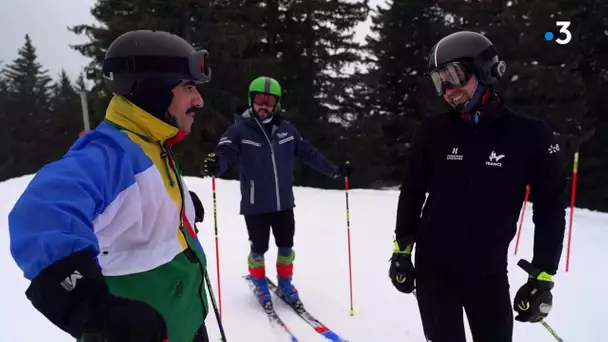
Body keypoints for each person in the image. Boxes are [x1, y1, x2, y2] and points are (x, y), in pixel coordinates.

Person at [8, 30, 212, 342]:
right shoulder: (109, 153)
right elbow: (40, 216)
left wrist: (181, 206)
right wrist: (94, 311)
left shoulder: (151, 143)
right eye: (188, 87)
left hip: (186, 322)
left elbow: (135, 204)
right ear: (153, 90)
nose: (198, 100)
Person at [388, 31, 567, 342]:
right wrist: (402, 249)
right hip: (433, 273)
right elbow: (412, 191)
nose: (447, 90)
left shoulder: (529, 136)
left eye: (454, 76)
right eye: (438, 81)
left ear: (485, 71)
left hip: (488, 276)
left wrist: (543, 275)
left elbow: (550, 208)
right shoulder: (433, 131)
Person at [202, 76, 351, 306]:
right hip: (255, 204)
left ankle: (285, 283)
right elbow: (225, 153)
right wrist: (216, 164)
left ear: (277, 105)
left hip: (284, 204)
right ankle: (260, 282)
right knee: (259, 247)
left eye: (269, 102)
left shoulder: (287, 130)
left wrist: (334, 170)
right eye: (260, 100)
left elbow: (308, 153)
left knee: (286, 246)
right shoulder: (239, 130)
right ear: (251, 100)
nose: (264, 106)